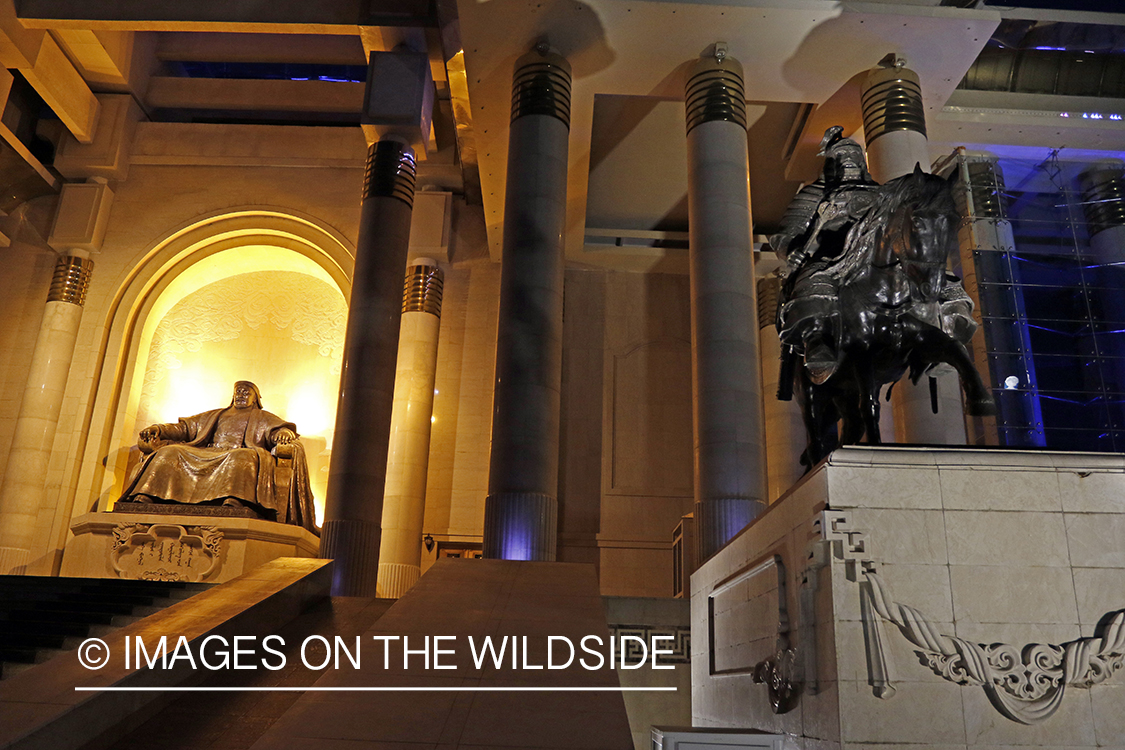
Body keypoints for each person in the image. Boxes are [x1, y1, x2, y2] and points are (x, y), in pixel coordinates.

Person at [118, 381, 318, 533]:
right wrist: (159, 429)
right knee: (168, 452)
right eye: (238, 392)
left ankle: (233, 501)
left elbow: (275, 432)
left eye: (246, 392)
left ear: (255, 398)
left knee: (242, 458)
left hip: (238, 451)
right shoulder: (216, 415)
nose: (241, 395)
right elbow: (184, 429)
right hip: (208, 450)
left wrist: (284, 433)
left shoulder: (262, 417)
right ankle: (146, 495)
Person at [770, 125, 881, 384]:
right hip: (829, 261)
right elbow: (785, 234)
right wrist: (792, 250)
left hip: (875, 258)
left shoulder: (882, 194)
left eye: (854, 159)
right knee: (813, 281)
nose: (850, 165)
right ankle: (816, 340)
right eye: (843, 160)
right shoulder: (814, 195)